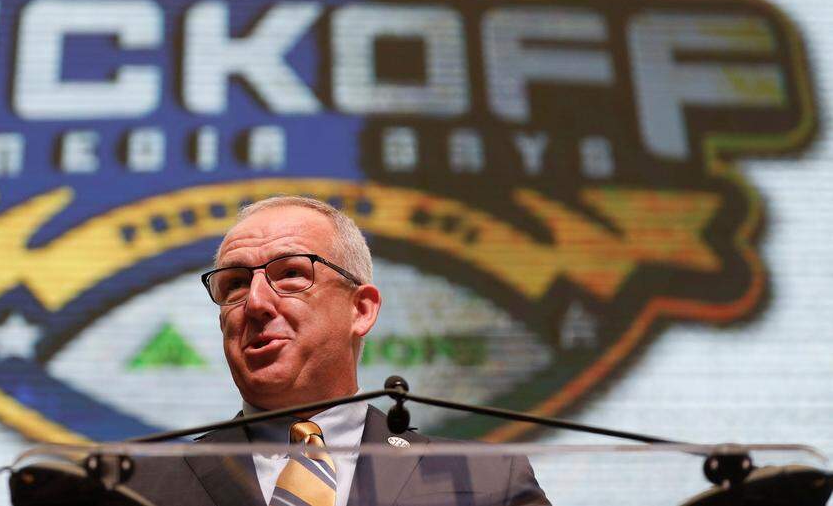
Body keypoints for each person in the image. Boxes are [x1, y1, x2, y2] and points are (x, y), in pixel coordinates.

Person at [127, 195, 550, 506]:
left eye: (290, 273)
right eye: (234, 283)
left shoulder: (488, 479)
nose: (255, 302)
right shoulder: (137, 488)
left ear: (361, 310)